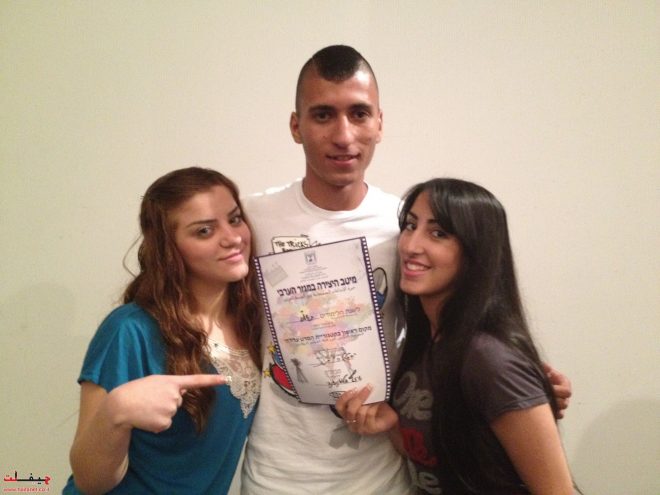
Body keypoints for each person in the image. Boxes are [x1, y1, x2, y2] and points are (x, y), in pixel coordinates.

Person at [241, 45, 572, 494]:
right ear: (296, 126)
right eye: (323, 115)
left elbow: (451, 326)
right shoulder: (249, 220)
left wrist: (515, 381)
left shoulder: (405, 227)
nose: (343, 135)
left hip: (384, 474)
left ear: (379, 123)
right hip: (277, 476)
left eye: (359, 114)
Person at [336, 178, 578, 494]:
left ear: (476, 251)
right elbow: (441, 464)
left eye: (439, 233)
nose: (411, 246)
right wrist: (392, 425)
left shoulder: (488, 359)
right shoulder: (428, 344)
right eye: (410, 226)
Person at [63, 167, 262, 495]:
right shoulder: (130, 329)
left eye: (235, 219)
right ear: (170, 247)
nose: (232, 238)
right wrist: (116, 412)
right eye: (204, 231)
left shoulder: (254, 322)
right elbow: (90, 481)